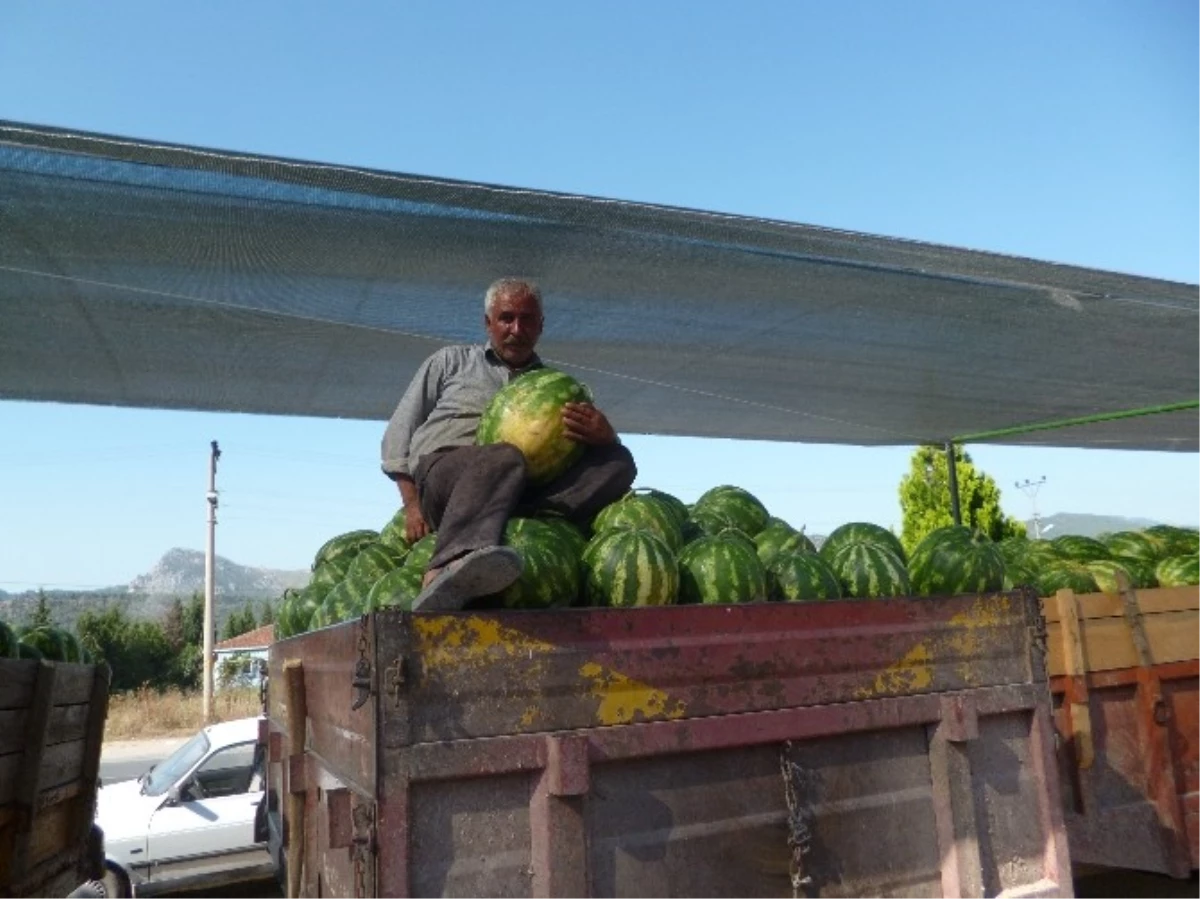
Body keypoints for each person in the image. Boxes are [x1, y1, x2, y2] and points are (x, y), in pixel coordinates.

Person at [381, 278, 637, 611]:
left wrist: (607, 437)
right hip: (447, 479)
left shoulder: (557, 386)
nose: (517, 328)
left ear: (540, 326)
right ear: (488, 323)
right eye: (506, 318)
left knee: (619, 462)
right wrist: (412, 505)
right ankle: (445, 569)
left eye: (527, 319)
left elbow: (577, 454)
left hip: (520, 489)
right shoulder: (450, 362)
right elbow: (398, 435)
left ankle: (527, 520)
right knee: (504, 456)